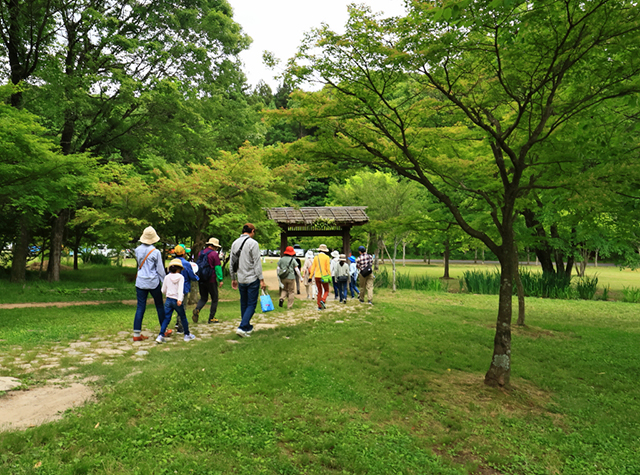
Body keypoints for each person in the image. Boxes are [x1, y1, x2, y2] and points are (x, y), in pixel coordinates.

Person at [229, 223, 266, 337]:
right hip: (252, 277)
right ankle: (242, 326)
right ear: (252, 231)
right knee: (251, 304)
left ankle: (247, 327)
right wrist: (261, 279)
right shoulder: (253, 243)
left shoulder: (235, 243)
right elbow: (257, 263)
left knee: (243, 303)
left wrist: (233, 278)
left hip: (241, 278)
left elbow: (231, 262)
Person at [133, 226, 167, 342]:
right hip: (153, 281)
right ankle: (164, 329)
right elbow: (160, 269)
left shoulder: (137, 250)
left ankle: (136, 333)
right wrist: (165, 282)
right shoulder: (155, 252)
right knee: (159, 305)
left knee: (140, 307)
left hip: (140, 281)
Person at [157, 259, 195, 343]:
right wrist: (179, 299)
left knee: (166, 318)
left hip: (168, 300)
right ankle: (187, 334)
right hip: (177, 300)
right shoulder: (181, 277)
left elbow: (163, 290)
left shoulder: (167, 277)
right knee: (183, 317)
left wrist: (168, 294)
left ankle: (160, 335)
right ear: (179, 269)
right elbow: (180, 289)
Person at [193, 238, 224, 324]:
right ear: (214, 246)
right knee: (214, 298)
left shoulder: (201, 253)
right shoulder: (214, 254)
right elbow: (217, 267)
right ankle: (211, 318)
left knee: (203, 298)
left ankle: (197, 309)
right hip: (211, 279)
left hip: (201, 279)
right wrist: (220, 279)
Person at [173, 245, 199, 333]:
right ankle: (180, 327)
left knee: (176, 305)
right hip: (184, 288)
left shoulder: (172, 262)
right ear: (183, 253)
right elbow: (191, 276)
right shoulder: (186, 264)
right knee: (182, 307)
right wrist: (197, 277)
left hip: (173, 288)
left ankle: (177, 322)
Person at [308, 244, 332, 310]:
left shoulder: (316, 257)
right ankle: (323, 300)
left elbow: (313, 268)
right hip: (324, 276)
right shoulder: (327, 257)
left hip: (317, 276)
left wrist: (310, 277)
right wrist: (329, 276)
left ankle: (319, 306)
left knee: (319, 291)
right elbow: (328, 268)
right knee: (326, 290)